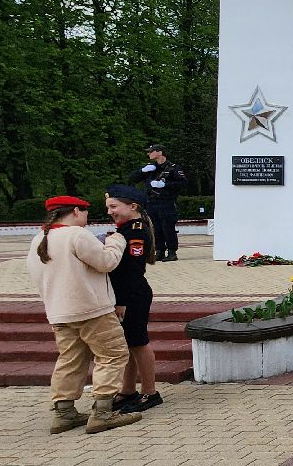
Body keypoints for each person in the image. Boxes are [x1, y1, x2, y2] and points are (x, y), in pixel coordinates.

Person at [25, 196, 141, 435]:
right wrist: (116, 241)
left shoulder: (39, 238)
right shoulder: (77, 235)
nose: (87, 218)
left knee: (70, 359)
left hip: (59, 312)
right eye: (86, 212)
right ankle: (102, 412)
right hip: (92, 310)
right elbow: (106, 262)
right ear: (76, 211)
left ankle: (63, 412)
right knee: (113, 354)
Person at [105, 185, 162, 413]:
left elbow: (133, 271)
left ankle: (150, 392)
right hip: (127, 294)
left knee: (139, 343)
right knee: (128, 344)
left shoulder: (135, 231)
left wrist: (122, 301)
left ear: (133, 206)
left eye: (114, 206)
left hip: (132, 295)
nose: (110, 211)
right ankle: (127, 391)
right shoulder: (127, 228)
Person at [133, 144, 187, 261]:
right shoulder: (150, 169)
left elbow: (182, 184)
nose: (149, 154)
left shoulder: (173, 168)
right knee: (155, 228)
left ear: (160, 152)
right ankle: (159, 251)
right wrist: (141, 171)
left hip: (166, 202)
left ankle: (172, 252)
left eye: (151, 151)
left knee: (168, 228)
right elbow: (132, 179)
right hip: (152, 202)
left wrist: (165, 185)